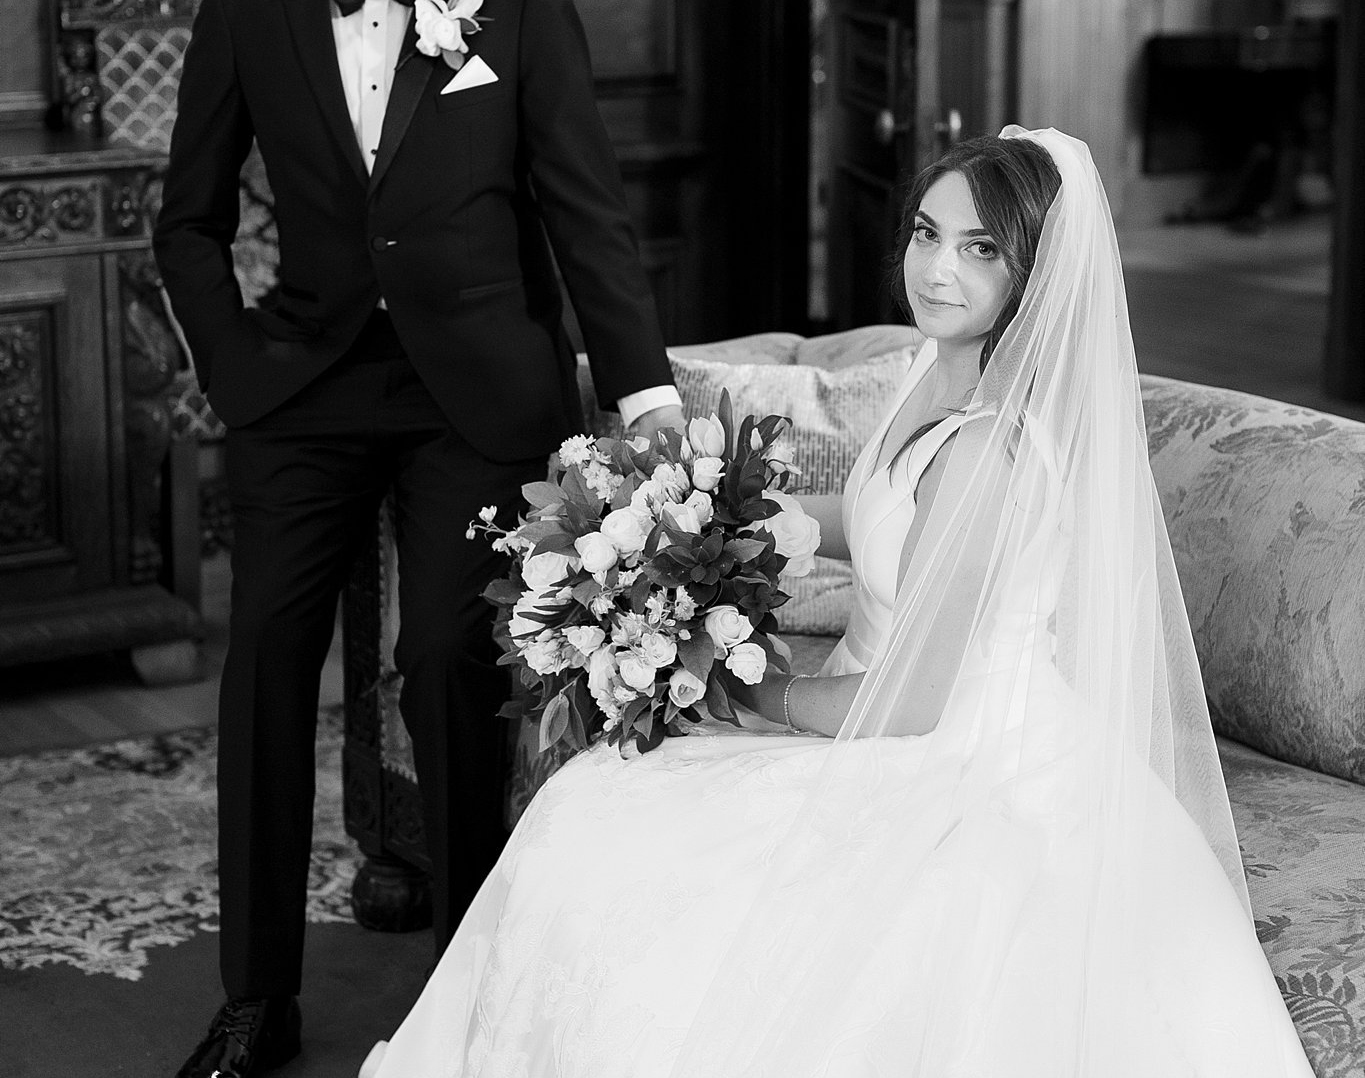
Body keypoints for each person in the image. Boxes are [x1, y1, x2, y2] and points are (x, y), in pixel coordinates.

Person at [360, 127, 1313, 1078]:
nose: (937, 268)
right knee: (594, 806)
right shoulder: (932, 367)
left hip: (944, 751)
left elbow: (910, 706)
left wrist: (730, 697)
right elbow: (881, 516)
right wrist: (693, 523)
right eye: (926, 232)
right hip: (868, 707)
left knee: (611, 835)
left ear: (1035, 276)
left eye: (980, 248)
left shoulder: (990, 449)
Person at [153, 0, 682, 1078]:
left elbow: (583, 210)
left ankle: (471, 975)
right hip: (306, 388)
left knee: (446, 661)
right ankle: (258, 999)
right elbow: (188, 223)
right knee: (268, 665)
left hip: (477, 394)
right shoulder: (251, 5)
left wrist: (644, 390)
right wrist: (234, 365)